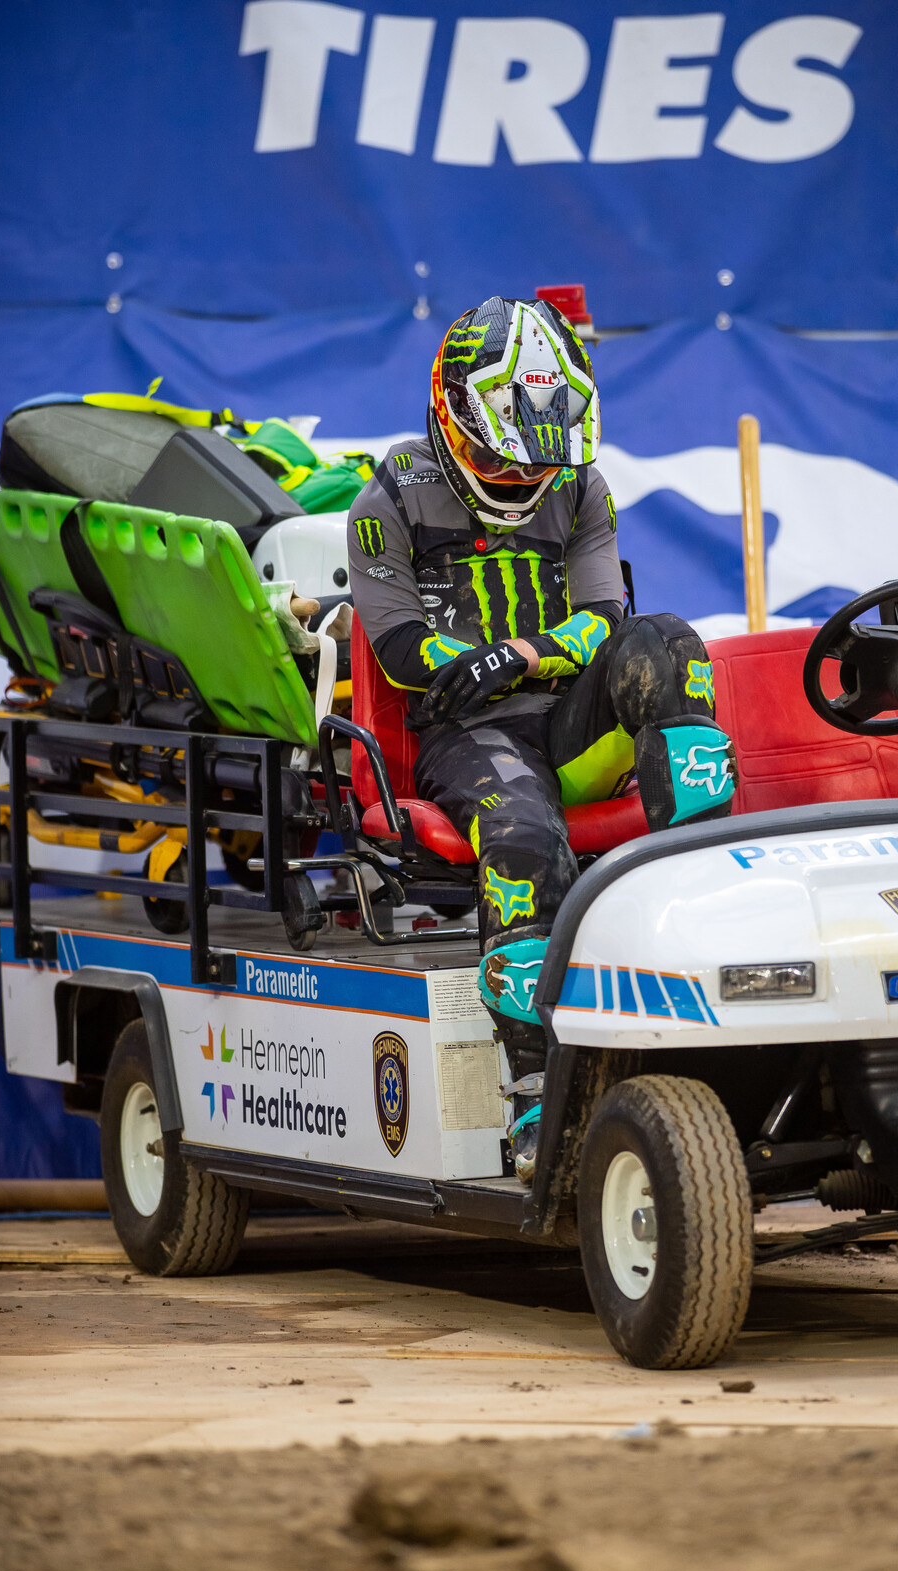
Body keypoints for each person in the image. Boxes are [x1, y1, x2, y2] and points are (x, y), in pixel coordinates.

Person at [346, 297, 737, 1181]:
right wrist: (490, 666)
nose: (523, 480)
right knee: (521, 836)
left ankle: (701, 912)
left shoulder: (582, 484)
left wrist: (514, 655)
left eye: (539, 462)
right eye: (500, 458)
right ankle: (533, 1090)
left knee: (670, 641)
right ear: (451, 415)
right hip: (462, 736)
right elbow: (406, 654)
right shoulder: (388, 496)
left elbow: (606, 618)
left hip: (559, 722)